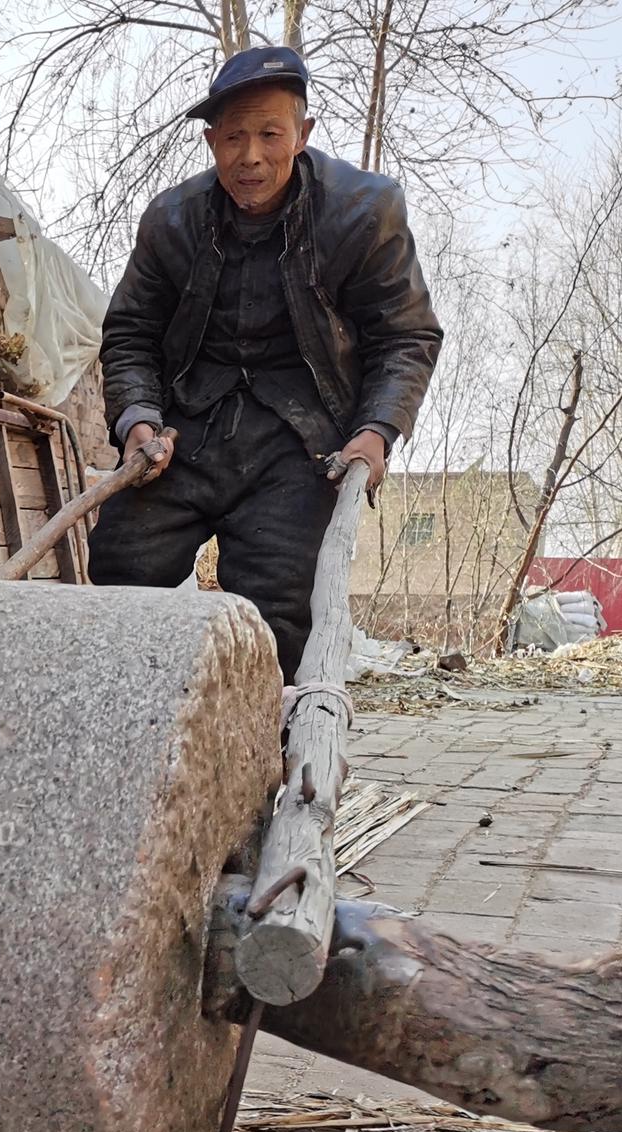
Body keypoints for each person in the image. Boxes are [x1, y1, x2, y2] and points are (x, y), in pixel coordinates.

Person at [92, 46, 442, 680]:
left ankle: (256, 759)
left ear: (302, 135)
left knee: (275, 612)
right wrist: (138, 419)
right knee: (121, 571)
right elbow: (130, 333)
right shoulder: (171, 220)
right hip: (184, 432)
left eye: (270, 134)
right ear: (210, 142)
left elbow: (405, 336)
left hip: (302, 441)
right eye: (233, 138)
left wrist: (375, 432)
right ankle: (126, 730)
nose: (250, 155)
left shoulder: (364, 213)